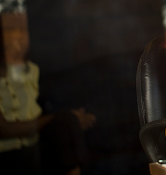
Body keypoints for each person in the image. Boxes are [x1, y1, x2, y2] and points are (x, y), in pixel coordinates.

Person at [0, 17, 96, 175]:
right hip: (8, 155)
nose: (17, 37)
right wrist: (51, 119)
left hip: (36, 147)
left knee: (68, 123)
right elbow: (3, 129)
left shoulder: (32, 71)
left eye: (21, 30)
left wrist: (71, 117)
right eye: (10, 30)